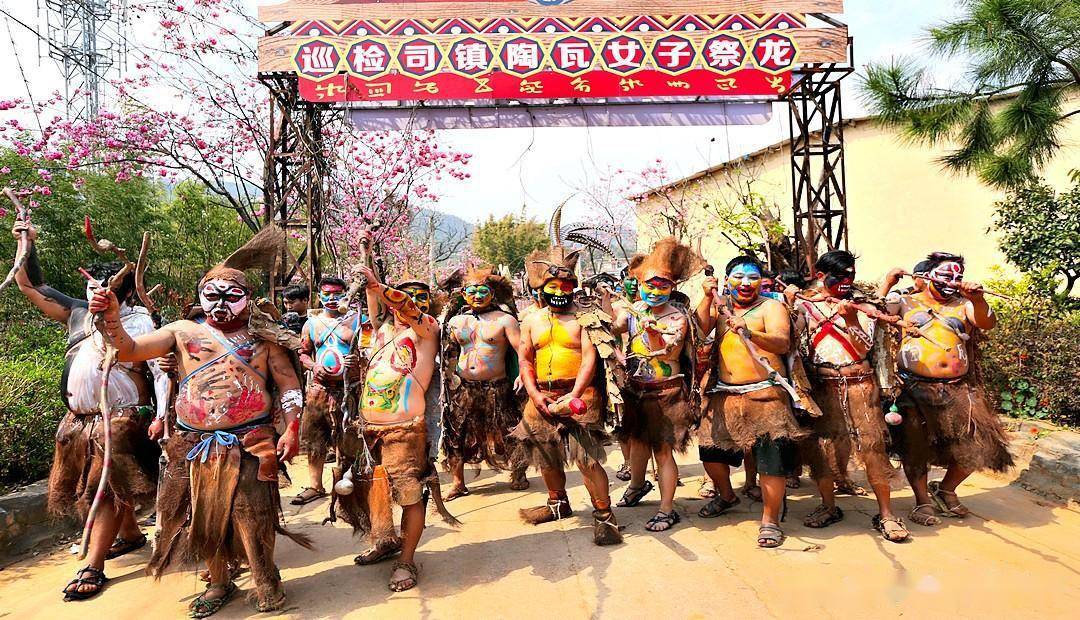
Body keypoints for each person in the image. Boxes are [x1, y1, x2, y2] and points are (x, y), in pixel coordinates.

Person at [88, 236, 310, 617]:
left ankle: (265, 579)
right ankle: (219, 580)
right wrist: (110, 317)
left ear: (249, 297)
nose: (220, 303)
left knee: (252, 514)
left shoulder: (264, 338)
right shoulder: (181, 332)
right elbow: (128, 350)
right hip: (194, 444)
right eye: (212, 294)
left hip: (251, 442)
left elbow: (289, 384)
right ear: (200, 295)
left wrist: (291, 429)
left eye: (232, 295)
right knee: (200, 516)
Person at [11, 221, 166, 602]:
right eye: (91, 289)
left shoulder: (141, 323)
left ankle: (93, 564)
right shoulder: (77, 315)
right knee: (96, 485)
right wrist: (26, 244)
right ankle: (129, 535)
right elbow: (30, 286)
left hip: (121, 420)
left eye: (107, 289)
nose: (97, 295)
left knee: (106, 486)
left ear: (124, 294)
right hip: (79, 421)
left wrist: (162, 415)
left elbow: (161, 375)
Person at [334, 265, 445, 592]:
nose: (408, 305)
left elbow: (404, 306)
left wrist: (379, 287)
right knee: (372, 491)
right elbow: (375, 301)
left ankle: (406, 560)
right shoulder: (381, 331)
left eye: (416, 300)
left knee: (410, 496)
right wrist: (367, 278)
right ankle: (386, 541)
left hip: (405, 432)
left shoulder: (428, 331)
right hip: (367, 431)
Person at [880, 252, 1012, 526]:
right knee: (915, 446)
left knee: (979, 442)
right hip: (912, 387)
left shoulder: (965, 305)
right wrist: (887, 282)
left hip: (956, 388)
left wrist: (977, 298)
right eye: (946, 275)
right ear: (926, 277)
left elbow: (987, 321)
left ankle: (946, 489)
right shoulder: (905, 302)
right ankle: (922, 502)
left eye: (958, 277)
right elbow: (876, 314)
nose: (953, 281)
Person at [792, 251, 909, 541]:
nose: (846, 281)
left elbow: (865, 347)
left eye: (850, 275)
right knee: (824, 449)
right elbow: (795, 346)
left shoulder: (863, 306)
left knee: (873, 448)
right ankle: (829, 506)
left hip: (860, 385)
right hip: (823, 386)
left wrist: (852, 319)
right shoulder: (806, 307)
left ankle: (886, 514)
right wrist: (791, 302)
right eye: (839, 276)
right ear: (820, 276)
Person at [512, 245, 623, 546]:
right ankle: (557, 502)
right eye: (553, 285)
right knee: (545, 456)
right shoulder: (531, 320)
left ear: (574, 286)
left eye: (566, 285)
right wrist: (535, 394)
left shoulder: (585, 318)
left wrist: (573, 395)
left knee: (587, 459)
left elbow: (590, 359)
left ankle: (604, 516)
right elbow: (524, 358)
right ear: (540, 288)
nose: (560, 290)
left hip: (580, 395)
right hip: (541, 396)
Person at [695, 256, 806, 548]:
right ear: (727, 279)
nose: (746, 283)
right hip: (724, 394)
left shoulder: (772, 307)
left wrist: (750, 331)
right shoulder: (720, 306)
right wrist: (706, 298)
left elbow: (783, 342)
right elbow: (698, 329)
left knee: (771, 463)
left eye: (753, 277)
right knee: (711, 455)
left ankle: (770, 520)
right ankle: (727, 495)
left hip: (767, 395)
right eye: (739, 277)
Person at [609, 238, 702, 532]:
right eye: (650, 284)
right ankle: (637, 486)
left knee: (662, 451)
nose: (655, 290)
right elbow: (613, 327)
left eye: (663, 285)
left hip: (667, 392)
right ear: (639, 285)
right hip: (636, 389)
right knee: (637, 443)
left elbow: (670, 351)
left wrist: (654, 333)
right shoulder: (635, 310)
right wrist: (602, 307)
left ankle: (666, 510)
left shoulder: (677, 316)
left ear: (673, 287)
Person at [442, 265, 529, 499]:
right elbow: (449, 353)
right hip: (464, 389)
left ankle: (518, 472)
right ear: (463, 294)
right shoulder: (456, 322)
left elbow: (521, 350)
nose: (477, 296)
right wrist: (446, 379)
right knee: (457, 434)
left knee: (510, 432)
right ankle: (458, 482)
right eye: (472, 291)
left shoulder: (505, 320)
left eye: (483, 291)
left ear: (492, 293)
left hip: (497, 387)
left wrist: (522, 374)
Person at [292, 277, 363, 505]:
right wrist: (314, 366)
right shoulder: (311, 324)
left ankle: (347, 485)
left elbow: (372, 350)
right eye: (327, 294)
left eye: (338, 294)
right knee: (316, 439)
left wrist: (358, 359)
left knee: (349, 439)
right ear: (319, 296)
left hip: (349, 390)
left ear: (346, 295)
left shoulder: (358, 321)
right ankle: (315, 485)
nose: (332, 299)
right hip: (320, 390)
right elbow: (303, 353)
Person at [611, 266, 639, 482]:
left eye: (637, 279)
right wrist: (618, 355)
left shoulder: (651, 303)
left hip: (647, 368)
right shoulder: (617, 306)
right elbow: (607, 333)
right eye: (630, 279)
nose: (634, 283)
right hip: (622, 368)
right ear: (622, 282)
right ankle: (628, 462)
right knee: (623, 420)